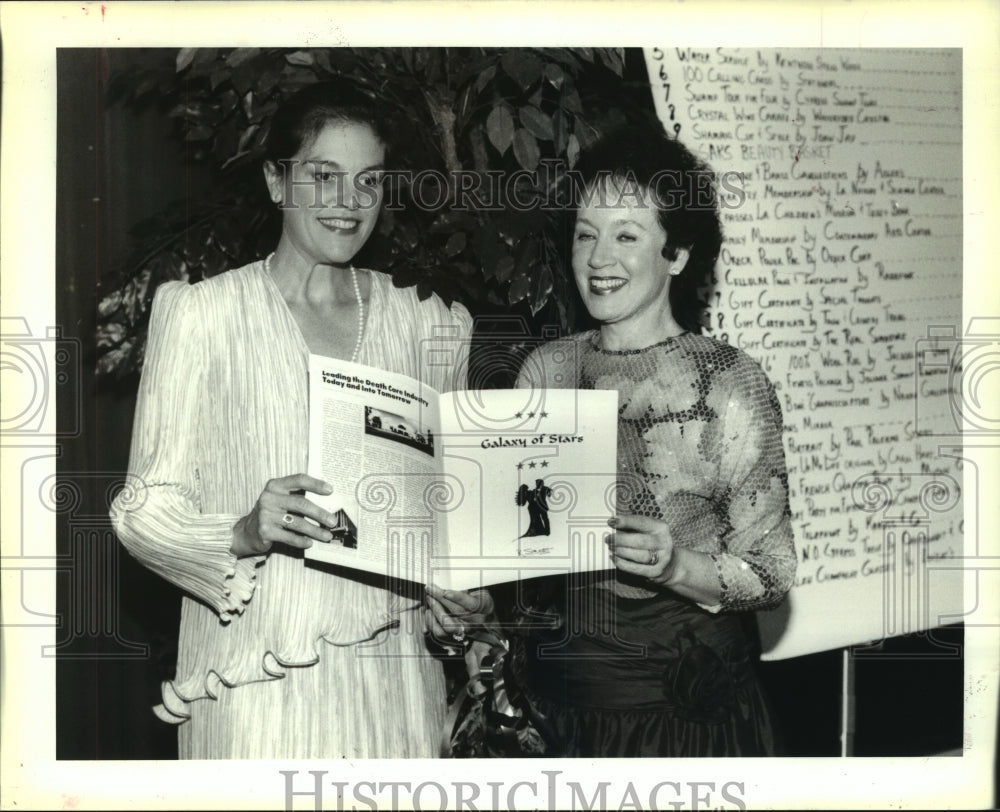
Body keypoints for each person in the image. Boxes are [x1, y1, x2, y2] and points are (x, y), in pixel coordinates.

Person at [110, 79, 472, 759]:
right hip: (253, 685)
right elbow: (141, 510)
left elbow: (449, 520)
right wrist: (243, 529)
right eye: (323, 176)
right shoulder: (203, 315)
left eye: (368, 181)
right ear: (277, 182)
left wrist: (463, 605)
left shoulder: (431, 320)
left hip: (393, 688)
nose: (348, 204)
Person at [430, 124, 795, 757]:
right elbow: (517, 560)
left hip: (685, 725)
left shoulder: (729, 386)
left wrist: (677, 566)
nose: (599, 259)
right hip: (560, 714)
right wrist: (474, 606)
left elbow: (771, 572)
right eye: (585, 234)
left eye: (627, 235)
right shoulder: (545, 373)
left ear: (676, 254)